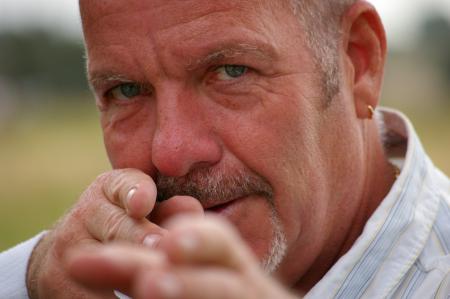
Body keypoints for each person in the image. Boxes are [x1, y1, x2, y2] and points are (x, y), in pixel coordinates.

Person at [1, 0, 449, 298]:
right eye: (126, 90)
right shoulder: (87, 282)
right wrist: (33, 278)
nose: (170, 153)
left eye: (232, 71)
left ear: (358, 60)